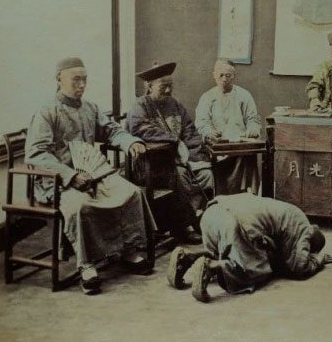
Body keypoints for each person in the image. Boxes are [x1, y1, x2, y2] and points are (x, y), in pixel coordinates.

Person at [25, 57, 155, 295]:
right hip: (58, 182)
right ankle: (87, 265)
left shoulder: (90, 108)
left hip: (93, 175)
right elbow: (36, 154)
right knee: (81, 205)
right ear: (59, 80)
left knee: (131, 192)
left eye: (84, 79)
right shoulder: (46, 111)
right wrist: (70, 176)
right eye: (76, 80)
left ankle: (127, 249)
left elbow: (112, 130)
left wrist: (131, 142)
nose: (82, 85)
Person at [167, 193, 332, 302]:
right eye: (308, 249)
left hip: (212, 214)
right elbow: (298, 267)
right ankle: (211, 267)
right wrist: (318, 260)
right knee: (257, 270)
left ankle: (187, 257)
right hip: (234, 222)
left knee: (225, 251)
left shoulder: (285, 211)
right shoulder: (304, 228)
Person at [127, 62, 214, 244]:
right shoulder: (140, 106)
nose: (168, 91)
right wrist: (173, 139)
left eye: (170, 86)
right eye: (163, 86)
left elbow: (189, 131)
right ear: (150, 86)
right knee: (180, 176)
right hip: (149, 165)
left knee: (206, 174)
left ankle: (195, 216)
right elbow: (139, 129)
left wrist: (196, 157)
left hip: (177, 162)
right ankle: (183, 227)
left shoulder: (175, 105)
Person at [195, 59, 261, 194]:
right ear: (214, 75)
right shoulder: (207, 97)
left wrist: (253, 129)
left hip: (240, 146)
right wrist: (209, 132)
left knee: (247, 156)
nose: (224, 79)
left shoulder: (244, 95)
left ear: (234, 76)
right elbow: (202, 122)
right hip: (218, 147)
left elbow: (253, 119)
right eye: (220, 75)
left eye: (228, 75)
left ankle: (245, 196)